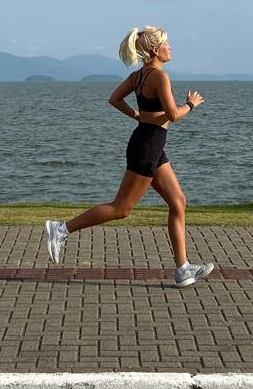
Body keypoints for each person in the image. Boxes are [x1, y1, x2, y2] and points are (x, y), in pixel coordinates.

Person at [44, 26, 215, 287]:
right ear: (155, 50)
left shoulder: (138, 76)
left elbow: (115, 99)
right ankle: (61, 229)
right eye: (166, 44)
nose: (170, 48)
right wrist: (191, 104)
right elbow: (173, 115)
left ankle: (182, 269)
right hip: (148, 147)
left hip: (149, 144)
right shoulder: (160, 77)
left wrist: (138, 116)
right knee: (121, 209)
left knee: (178, 202)